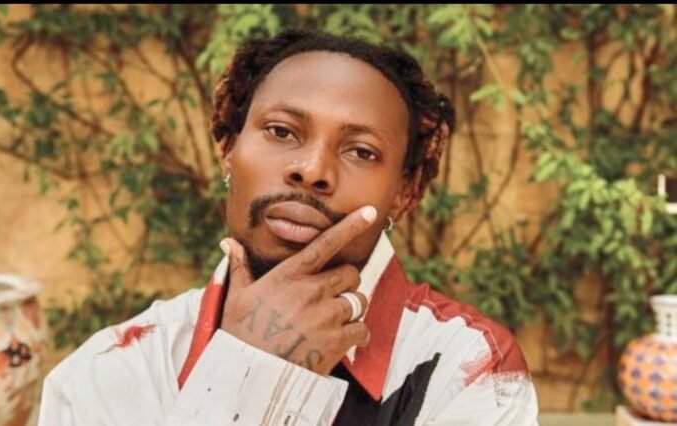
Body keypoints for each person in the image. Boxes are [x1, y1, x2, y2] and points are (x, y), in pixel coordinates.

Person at [38, 29, 538, 425]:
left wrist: (260, 378)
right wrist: (246, 375)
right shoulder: (110, 371)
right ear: (228, 146)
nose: (313, 170)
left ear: (405, 192)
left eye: (361, 151)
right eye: (281, 131)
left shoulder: (469, 370)